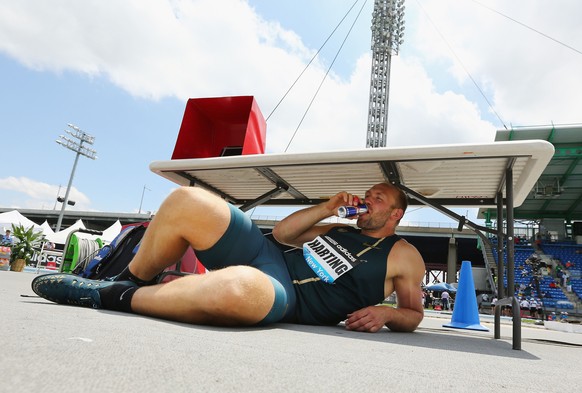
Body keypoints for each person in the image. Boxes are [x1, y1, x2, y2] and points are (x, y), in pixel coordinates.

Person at [32, 183, 426, 333]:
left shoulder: (404, 256)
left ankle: (108, 297)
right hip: (266, 253)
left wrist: (388, 313)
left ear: (396, 215)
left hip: (286, 297)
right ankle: (127, 281)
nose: (368, 200)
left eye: (379, 199)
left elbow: (414, 314)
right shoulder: (340, 229)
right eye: (368, 194)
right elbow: (285, 235)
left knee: (240, 291)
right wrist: (327, 206)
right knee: (188, 200)